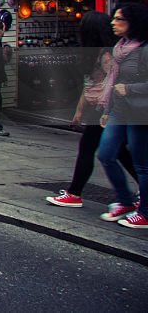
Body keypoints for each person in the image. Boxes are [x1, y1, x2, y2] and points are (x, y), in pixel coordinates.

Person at [47, 11, 136, 208]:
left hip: (106, 109)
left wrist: (104, 110)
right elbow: (90, 86)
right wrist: (79, 111)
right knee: (119, 151)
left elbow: (111, 83)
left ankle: (75, 193)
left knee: (91, 149)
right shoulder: (101, 52)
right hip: (104, 108)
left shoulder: (107, 54)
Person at [96, 4, 148, 227]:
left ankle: (145, 212)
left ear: (132, 23)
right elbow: (115, 82)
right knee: (106, 154)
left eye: (119, 19)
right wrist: (107, 110)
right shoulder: (120, 47)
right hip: (119, 110)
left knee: (142, 165)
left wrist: (131, 89)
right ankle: (126, 200)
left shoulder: (144, 50)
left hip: (139, 111)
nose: (113, 23)